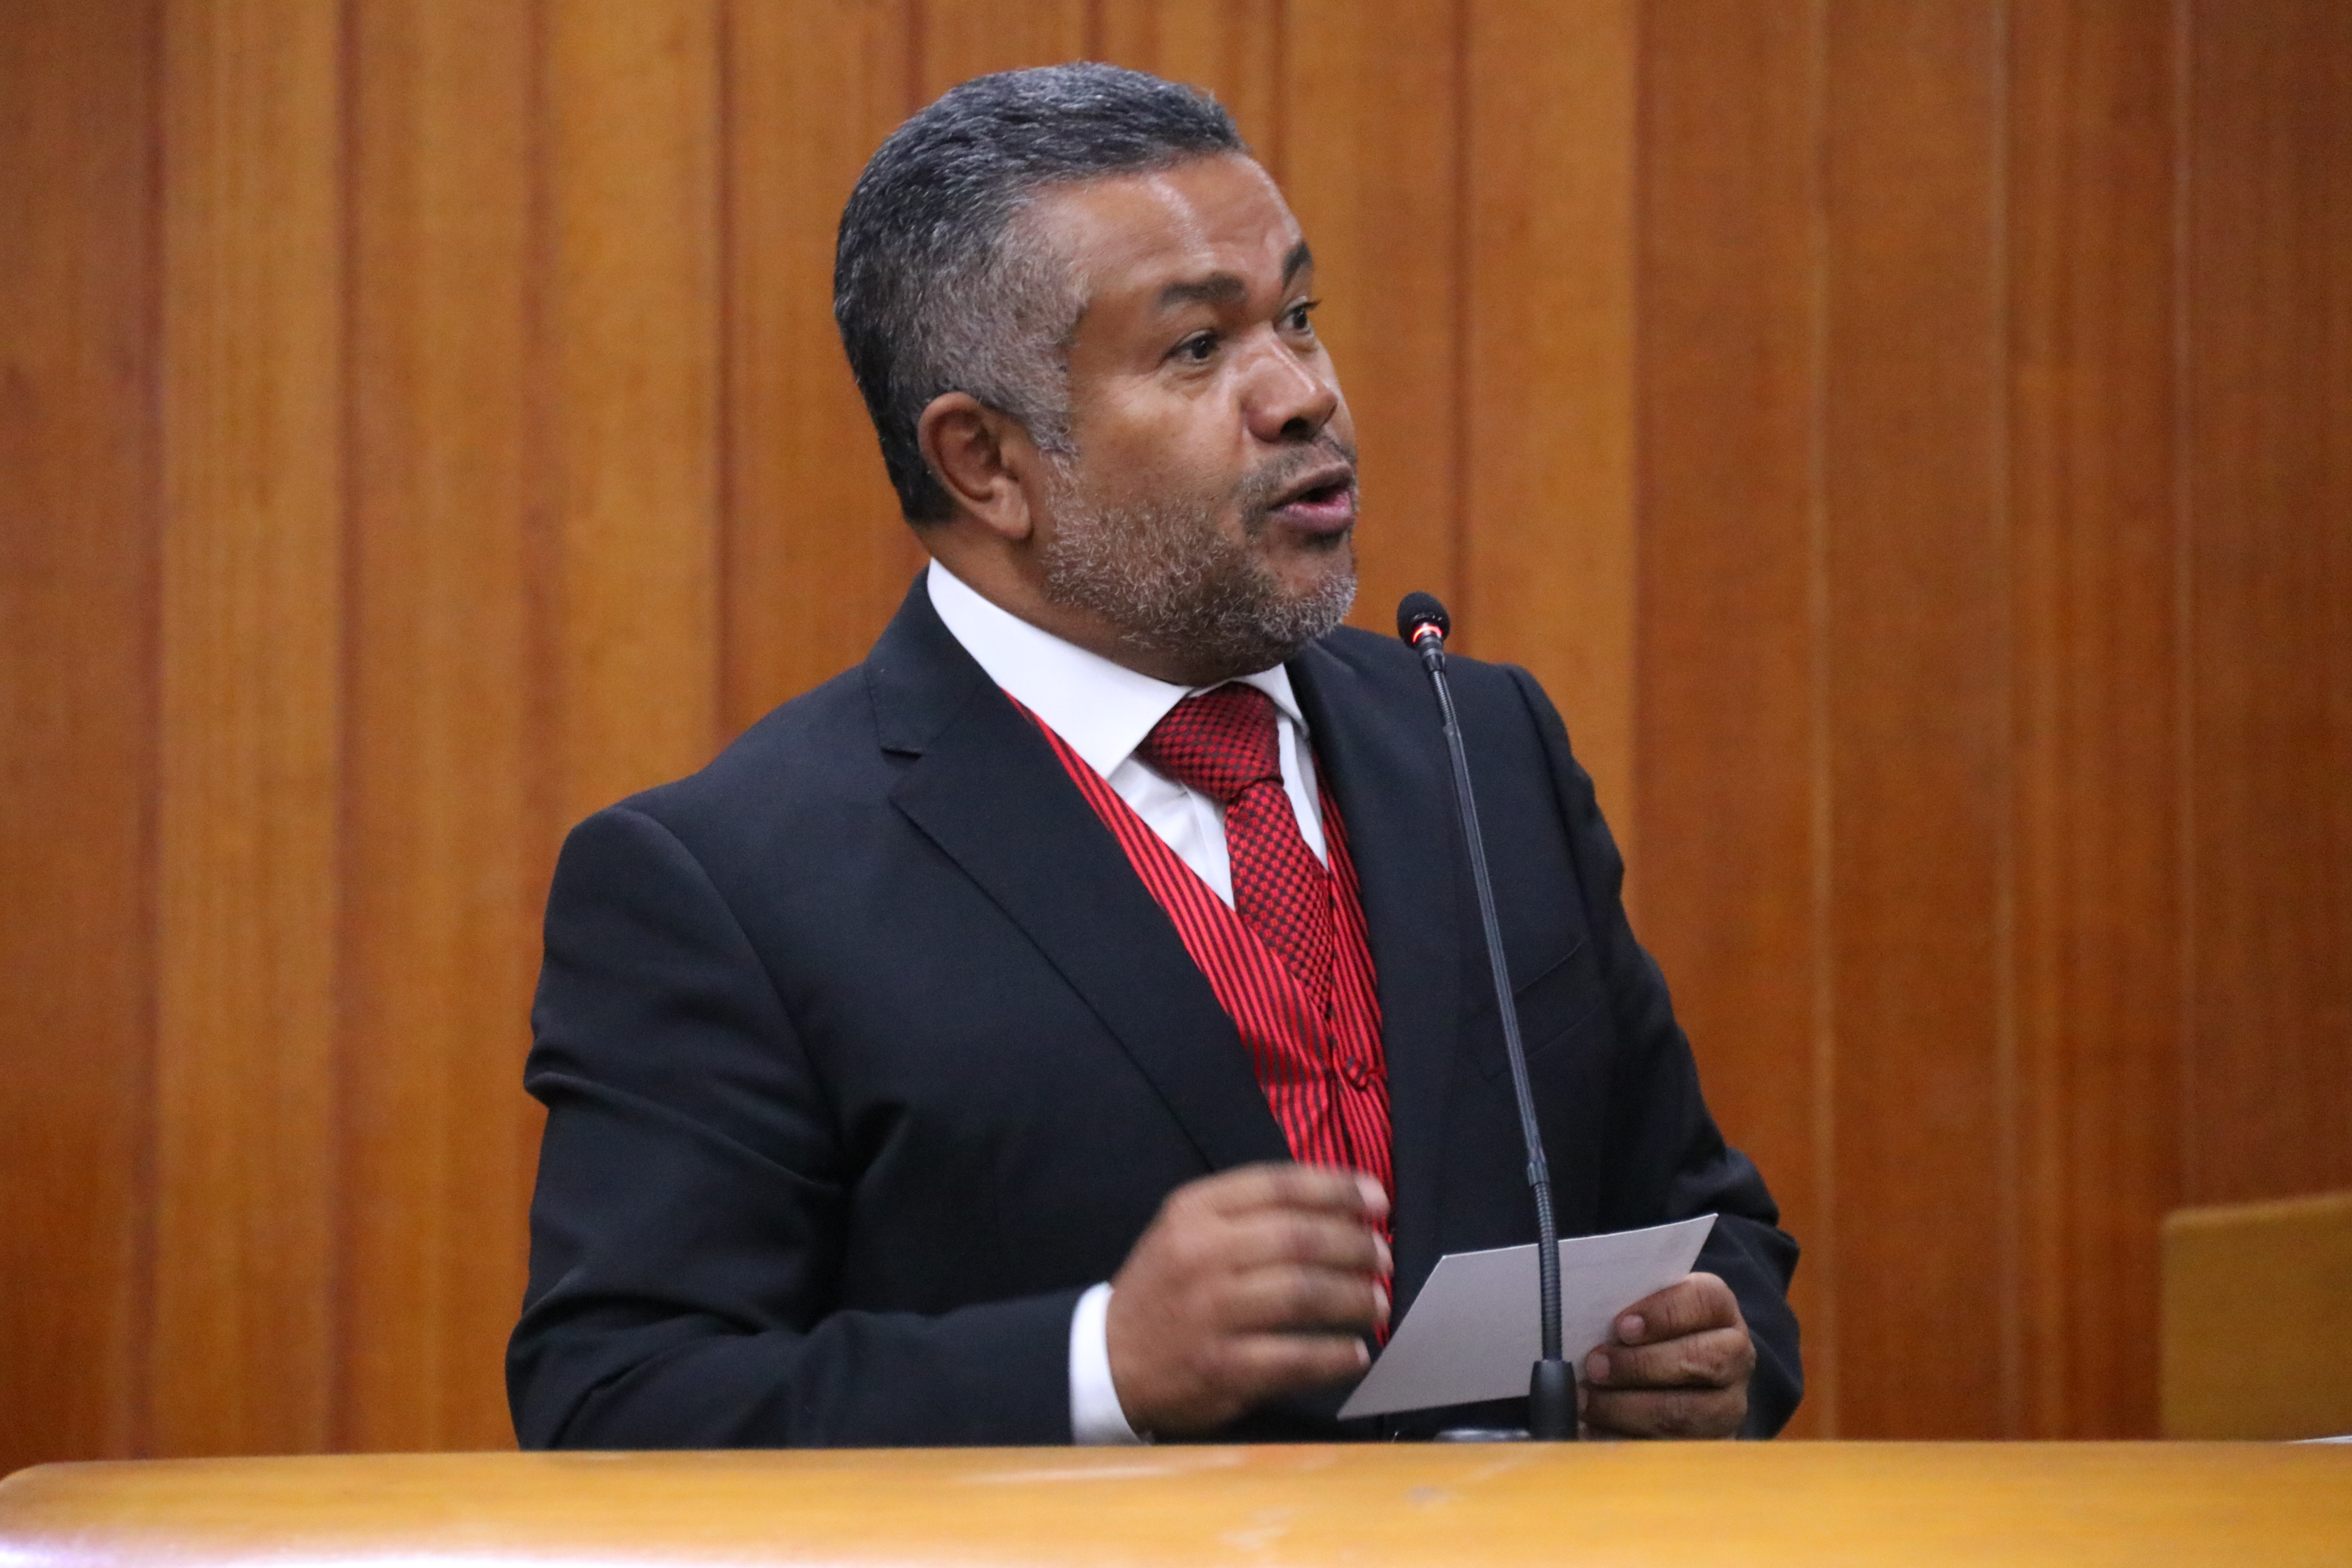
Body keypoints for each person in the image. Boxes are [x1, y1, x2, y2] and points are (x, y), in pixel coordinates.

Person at [507, 62, 1799, 1447]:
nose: (1301, 394)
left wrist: (1712, 1355)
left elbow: (1705, 1224)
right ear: (986, 462)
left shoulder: (1479, 744)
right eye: (1196, 349)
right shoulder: (728, 884)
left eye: (1297, 317)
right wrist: (1097, 1367)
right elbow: (618, 1402)